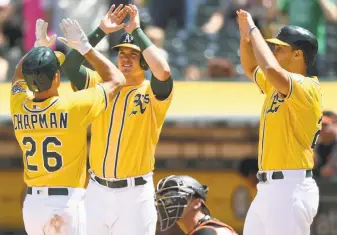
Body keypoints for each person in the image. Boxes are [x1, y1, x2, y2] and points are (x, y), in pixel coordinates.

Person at [60, 4, 173, 235]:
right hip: (96, 190)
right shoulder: (100, 84)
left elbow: (163, 73)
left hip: (135, 194)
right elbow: (70, 66)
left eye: (133, 54)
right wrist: (100, 30)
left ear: (144, 61)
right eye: (122, 53)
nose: (126, 59)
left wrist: (138, 32)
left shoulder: (151, 92)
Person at [11, 16, 125, 235]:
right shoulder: (73, 105)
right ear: (56, 77)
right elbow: (116, 79)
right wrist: (86, 47)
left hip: (33, 205)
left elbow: (18, 77)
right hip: (64, 204)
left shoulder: (18, 104)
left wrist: (36, 49)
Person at [238, 9, 322, 235]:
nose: (274, 52)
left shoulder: (307, 87)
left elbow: (270, 69)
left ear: (298, 55)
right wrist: (245, 38)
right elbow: (250, 68)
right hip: (269, 187)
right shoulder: (277, 86)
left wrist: (254, 30)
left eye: (280, 48)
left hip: (290, 186)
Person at [156, 175, 238, 235]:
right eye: (167, 199)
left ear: (197, 203)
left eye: (175, 197)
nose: (169, 202)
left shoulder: (206, 231)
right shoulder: (208, 228)